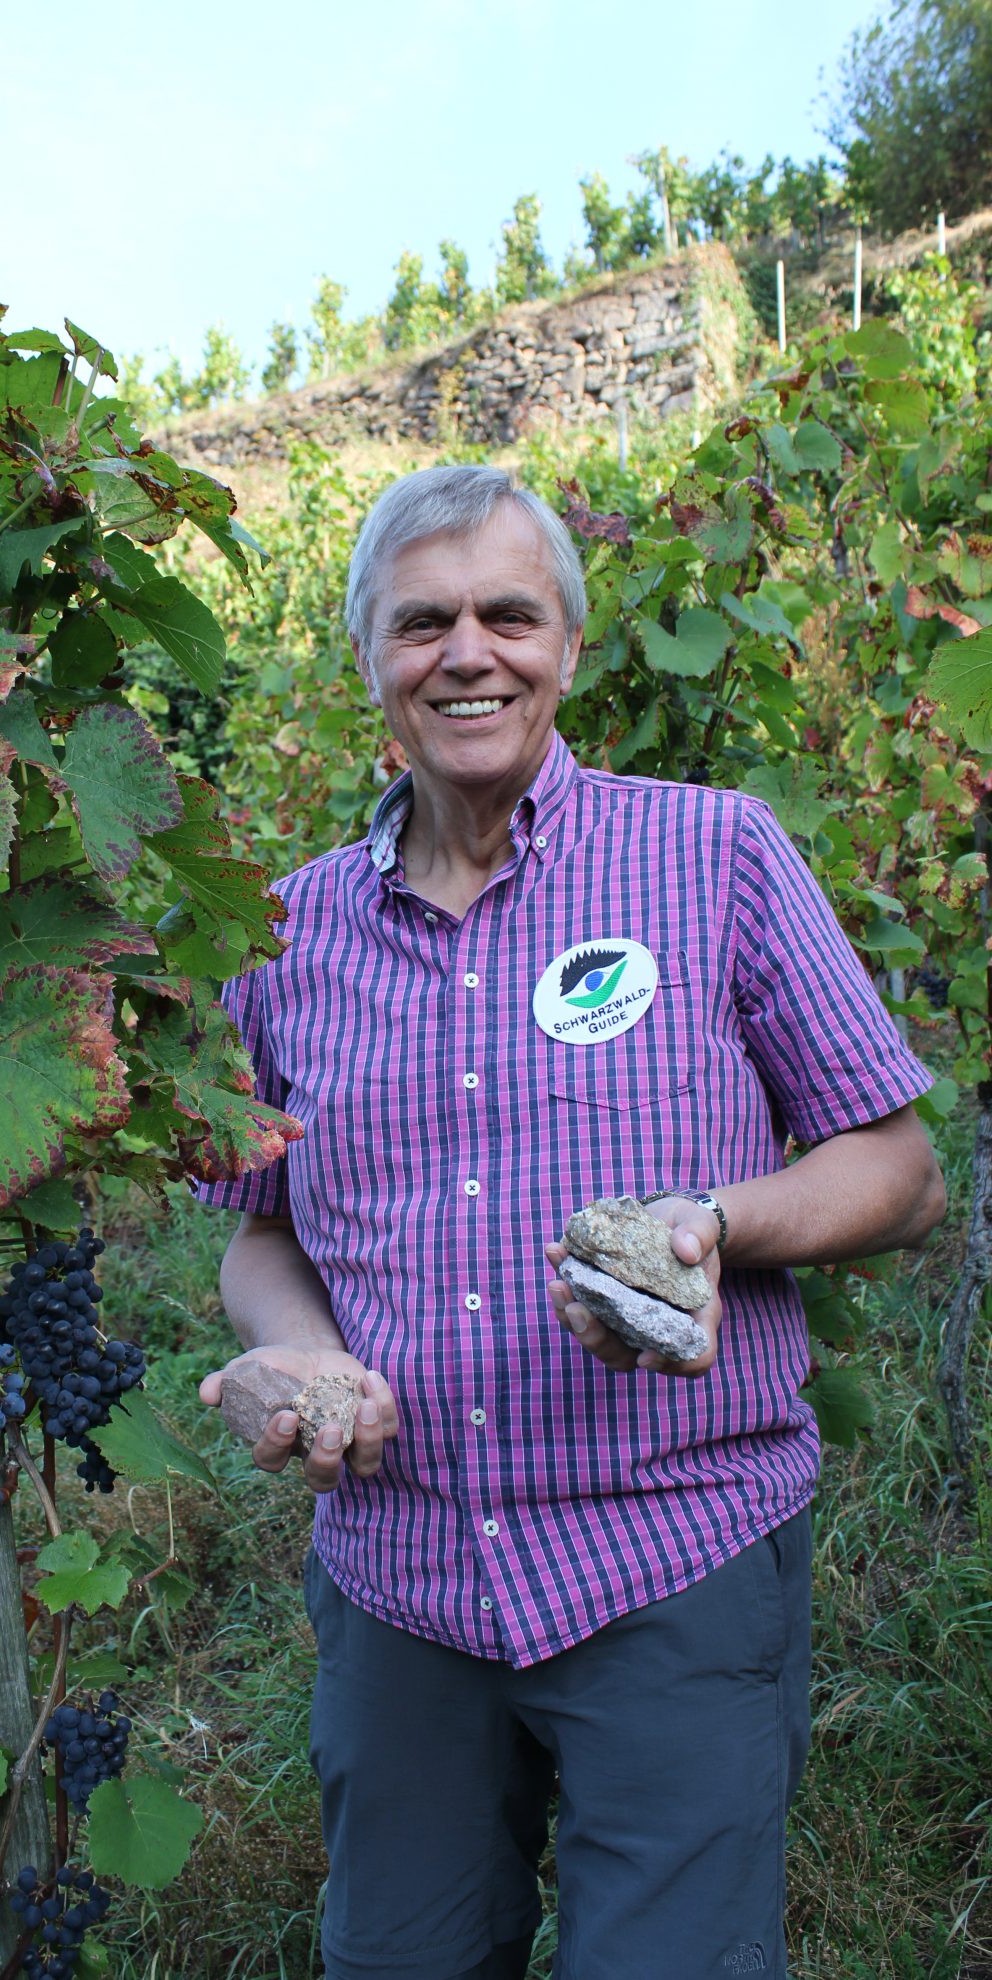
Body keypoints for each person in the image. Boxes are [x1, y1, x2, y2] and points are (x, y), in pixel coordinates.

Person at [192, 464, 945, 1980]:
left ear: (571, 647)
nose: (466, 653)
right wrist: (301, 1355)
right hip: (401, 1579)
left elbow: (900, 1168)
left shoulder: (714, 855)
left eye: (508, 616)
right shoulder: (279, 934)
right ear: (369, 660)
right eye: (423, 623)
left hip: (671, 1554)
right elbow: (259, 1230)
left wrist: (713, 1223)